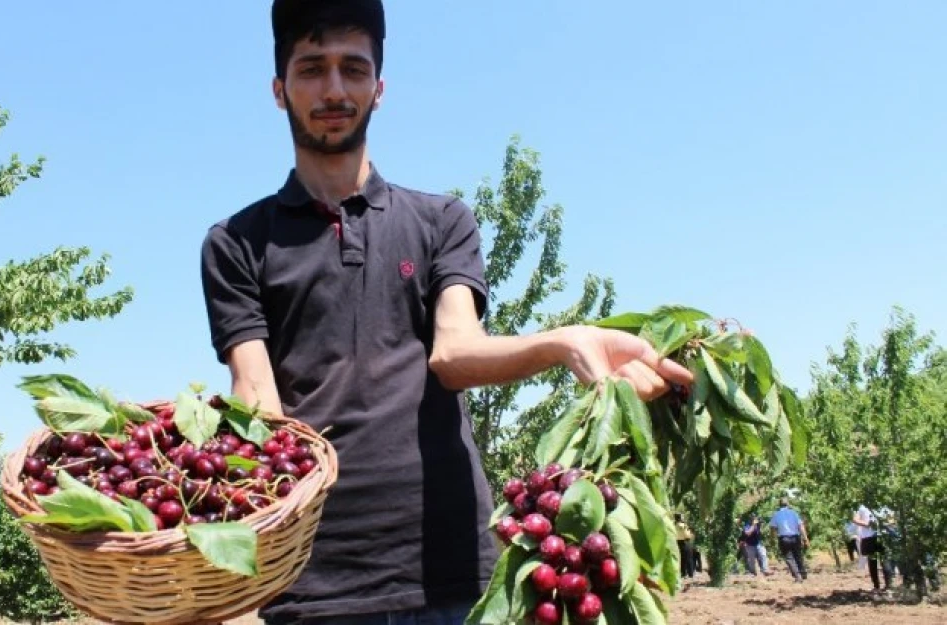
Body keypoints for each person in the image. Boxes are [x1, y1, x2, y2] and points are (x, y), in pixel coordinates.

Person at [199, 1, 694, 621]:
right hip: (312, 577)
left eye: (353, 69)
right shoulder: (237, 242)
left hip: (448, 567)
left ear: (379, 89)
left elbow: (456, 353)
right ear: (279, 89)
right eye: (311, 68)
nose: (333, 88)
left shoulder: (441, 222)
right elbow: (256, 396)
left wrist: (568, 341)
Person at [768, 498, 810, 582]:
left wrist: (772, 539)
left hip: (784, 539)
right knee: (798, 555)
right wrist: (805, 538)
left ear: (779, 505)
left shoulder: (776, 514)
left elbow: (773, 528)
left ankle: (797, 576)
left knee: (789, 558)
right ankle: (802, 573)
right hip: (795, 537)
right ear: (788, 504)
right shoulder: (794, 513)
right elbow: (801, 526)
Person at [852, 503, 892, 591]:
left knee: (884, 561)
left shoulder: (883, 504)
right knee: (873, 561)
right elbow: (855, 519)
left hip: (880, 536)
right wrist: (867, 524)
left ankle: (887, 586)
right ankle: (878, 586)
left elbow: (892, 519)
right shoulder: (862, 506)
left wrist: (882, 524)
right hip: (869, 537)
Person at [674, 514, 696, 580]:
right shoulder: (683, 525)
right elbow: (687, 535)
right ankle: (690, 574)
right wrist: (691, 534)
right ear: (680, 518)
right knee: (689, 558)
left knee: (682, 559)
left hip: (677, 542)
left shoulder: (674, 525)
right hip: (685, 542)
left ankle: (683, 574)